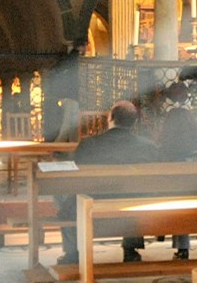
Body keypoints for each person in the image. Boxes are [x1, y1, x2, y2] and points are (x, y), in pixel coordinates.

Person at [58, 100, 160, 265]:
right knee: (136, 196)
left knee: (65, 199)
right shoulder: (148, 147)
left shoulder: (89, 144)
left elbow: (76, 174)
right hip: (134, 204)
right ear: (134, 122)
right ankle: (130, 250)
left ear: (110, 118)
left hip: (94, 202)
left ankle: (72, 252)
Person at [158, 83, 197, 260]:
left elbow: (160, 160)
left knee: (174, 197)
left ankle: (168, 237)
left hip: (174, 187)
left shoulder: (167, 142)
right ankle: (182, 247)